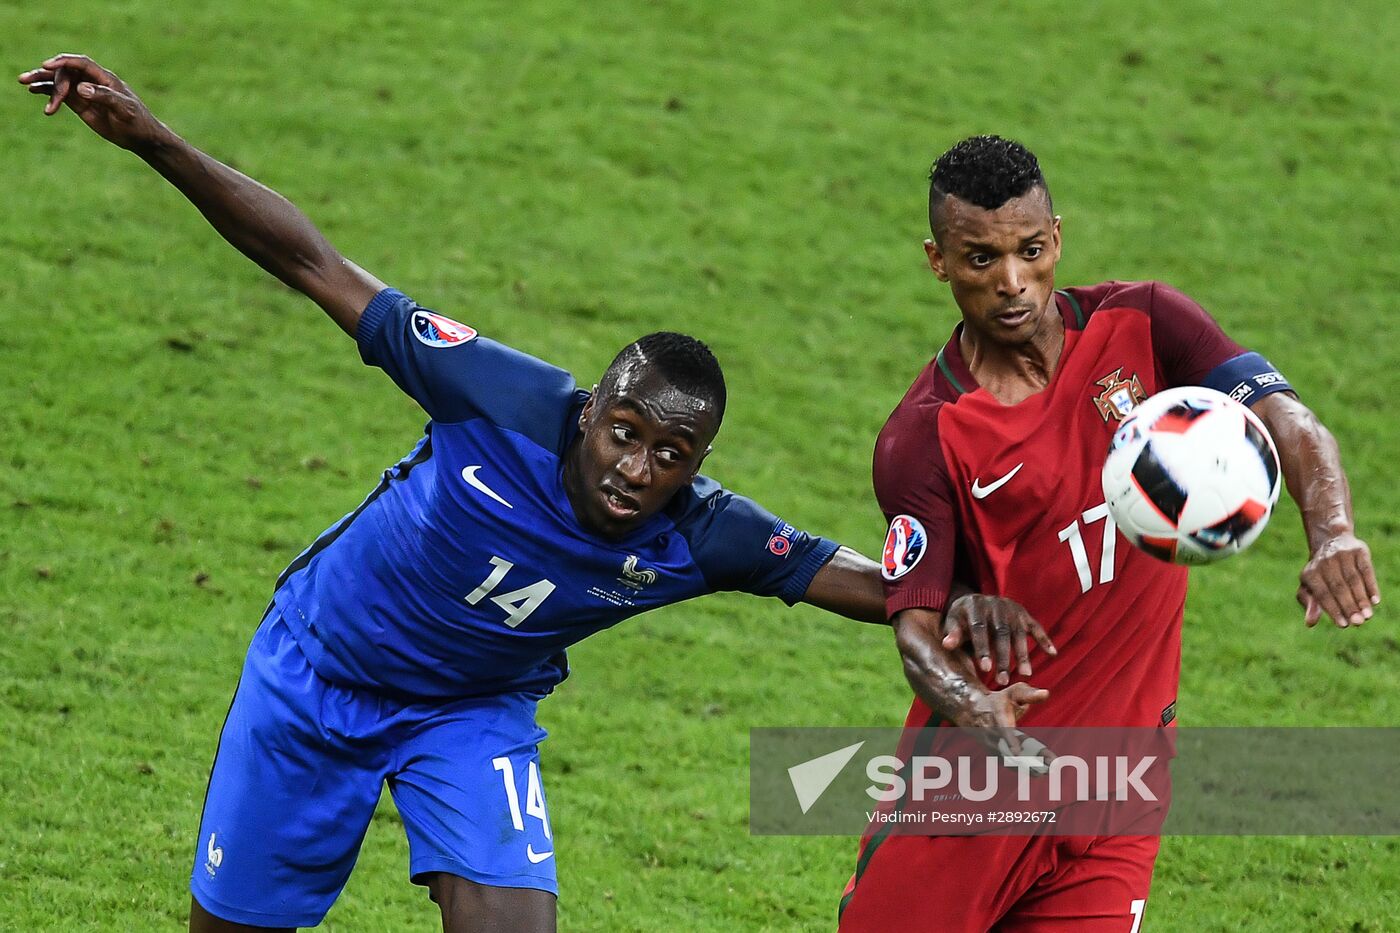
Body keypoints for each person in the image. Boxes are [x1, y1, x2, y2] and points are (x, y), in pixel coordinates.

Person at [18, 57, 1059, 932]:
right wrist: (152, 139)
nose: (635, 469)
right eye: (624, 432)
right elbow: (311, 262)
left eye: (670, 455)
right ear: (591, 409)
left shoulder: (700, 533)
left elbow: (861, 580)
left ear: (697, 465)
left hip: (469, 711)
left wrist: (966, 595)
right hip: (316, 672)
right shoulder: (492, 394)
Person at [836, 135, 1382, 931]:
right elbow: (916, 630)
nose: (1012, 281)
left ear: (1056, 238)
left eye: (1029, 250)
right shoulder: (927, 435)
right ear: (939, 261)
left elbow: (1287, 418)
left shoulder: (1146, 324)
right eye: (981, 258)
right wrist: (971, 704)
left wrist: (1331, 531)